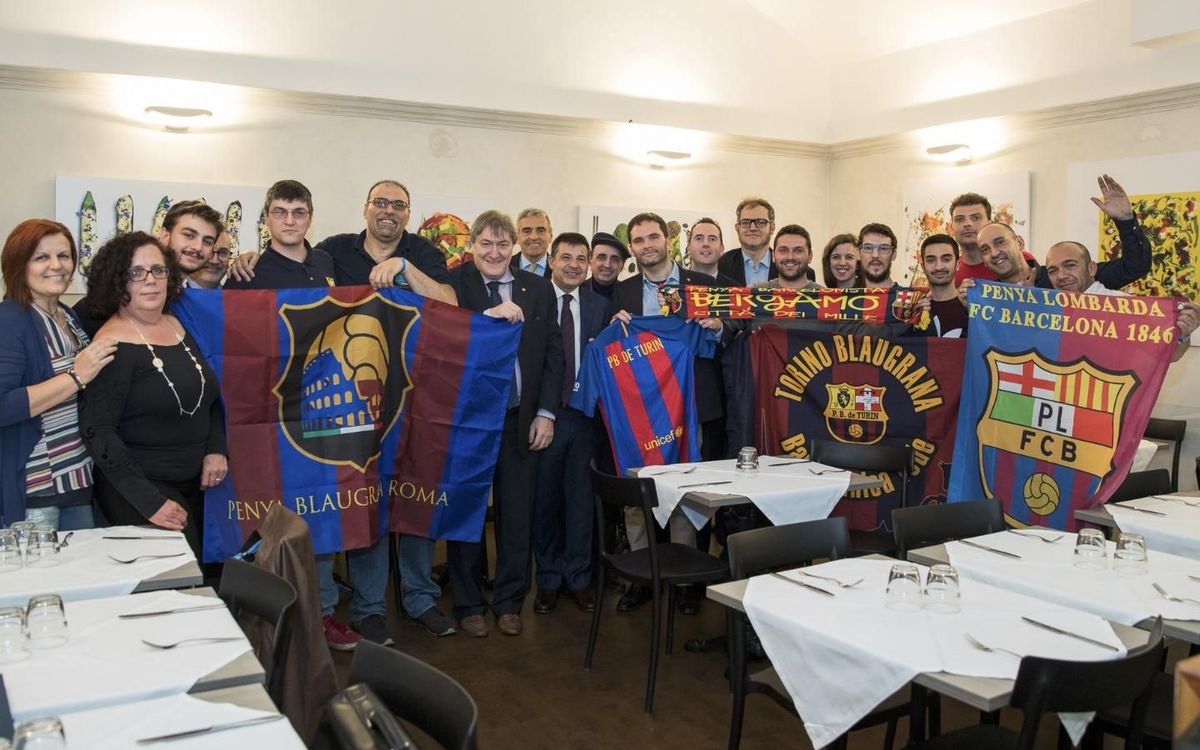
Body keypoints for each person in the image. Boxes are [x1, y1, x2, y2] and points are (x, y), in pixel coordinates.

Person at [448, 210, 563, 637]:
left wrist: (546, 413)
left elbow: (553, 352)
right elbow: (444, 342)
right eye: (485, 244)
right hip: (470, 425)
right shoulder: (454, 285)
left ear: (513, 246)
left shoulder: (537, 289)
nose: (494, 253)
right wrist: (489, 317)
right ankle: (468, 602)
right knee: (468, 515)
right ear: (472, 246)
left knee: (518, 515)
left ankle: (510, 601)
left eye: (502, 244)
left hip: (521, 420)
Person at [78, 231, 227, 557]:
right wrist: (150, 503)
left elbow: (209, 397)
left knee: (211, 581)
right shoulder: (110, 344)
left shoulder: (176, 325)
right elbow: (99, 434)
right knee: (181, 590)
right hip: (141, 491)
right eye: (136, 272)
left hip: (198, 486)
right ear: (117, 281)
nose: (150, 280)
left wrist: (216, 449)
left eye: (158, 270)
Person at [611, 212, 726, 614]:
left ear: (668, 240)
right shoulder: (621, 293)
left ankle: (687, 579)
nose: (647, 245)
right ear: (633, 248)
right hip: (639, 409)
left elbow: (733, 337)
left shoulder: (705, 285)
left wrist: (716, 326)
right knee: (637, 492)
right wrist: (614, 328)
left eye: (653, 237)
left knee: (687, 491)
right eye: (639, 240)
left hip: (689, 407)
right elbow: (613, 348)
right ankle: (641, 577)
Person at [0, 219, 118, 529]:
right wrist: (76, 377)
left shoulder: (67, 314)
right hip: (37, 489)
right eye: (42, 257)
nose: (57, 266)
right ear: (18, 265)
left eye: (64, 256)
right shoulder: (11, 319)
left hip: (76, 479)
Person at [533, 233, 610, 616]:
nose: (574, 265)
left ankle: (578, 578)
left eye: (582, 259)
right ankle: (547, 579)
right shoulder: (535, 298)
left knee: (581, 503)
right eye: (566, 257)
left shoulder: (602, 306)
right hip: (543, 416)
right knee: (544, 502)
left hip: (585, 418)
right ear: (551, 260)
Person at [951, 175, 1150, 289]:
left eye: (1000, 242)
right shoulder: (988, 295)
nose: (994, 253)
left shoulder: (1063, 277)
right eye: (985, 249)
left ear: (1019, 243)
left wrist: (1125, 221)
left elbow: (1135, 267)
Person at [1044, 241, 1199, 362]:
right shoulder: (1047, 309)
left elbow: (1167, 355)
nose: (1061, 276)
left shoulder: (1124, 306)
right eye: (1053, 271)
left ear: (1091, 269)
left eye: (1070, 265)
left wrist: (1182, 334)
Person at [718, 198, 777, 285]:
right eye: (745, 222)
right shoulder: (722, 264)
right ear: (737, 228)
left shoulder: (784, 263)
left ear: (772, 228)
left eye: (760, 222)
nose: (753, 228)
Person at [919, 234, 967, 338]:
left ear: (958, 264)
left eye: (946, 259)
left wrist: (972, 311)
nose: (939, 267)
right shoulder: (915, 309)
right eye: (931, 260)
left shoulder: (970, 307)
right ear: (923, 266)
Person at [767, 225, 820, 290]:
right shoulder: (754, 294)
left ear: (810, 256)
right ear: (773, 256)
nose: (790, 257)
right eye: (783, 250)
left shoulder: (826, 296)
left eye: (798, 250)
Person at [510, 208, 554, 278]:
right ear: (517, 237)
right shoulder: (505, 267)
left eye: (541, 231)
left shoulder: (559, 268)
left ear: (550, 237)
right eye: (527, 231)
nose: (534, 237)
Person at [858, 222, 899, 289]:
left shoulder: (910, 298)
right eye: (868, 248)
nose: (875, 255)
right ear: (858, 253)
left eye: (883, 248)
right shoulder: (847, 298)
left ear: (894, 254)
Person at [588, 232, 627, 298]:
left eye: (614, 260)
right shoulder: (576, 293)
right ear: (590, 261)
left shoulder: (631, 295)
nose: (607, 265)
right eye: (601, 258)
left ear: (622, 265)